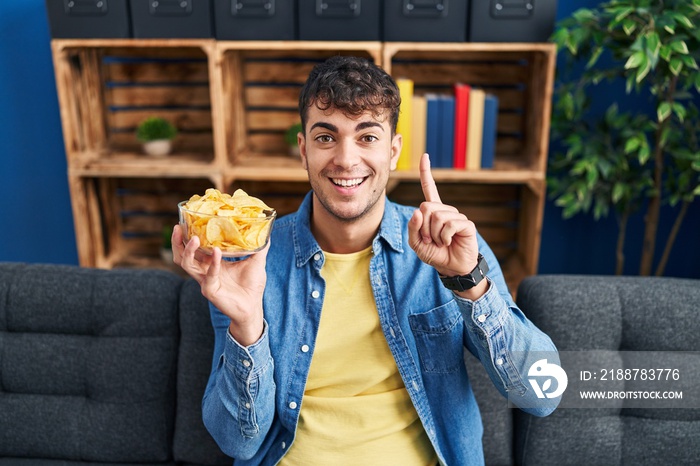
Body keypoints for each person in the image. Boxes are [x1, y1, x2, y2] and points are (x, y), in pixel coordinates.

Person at [172, 56, 559, 466]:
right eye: (326, 138)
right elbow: (239, 443)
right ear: (303, 150)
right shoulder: (249, 261)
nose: (345, 159)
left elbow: (543, 395)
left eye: (367, 137)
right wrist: (246, 326)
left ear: (394, 151)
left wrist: (469, 281)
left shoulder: (452, 249)